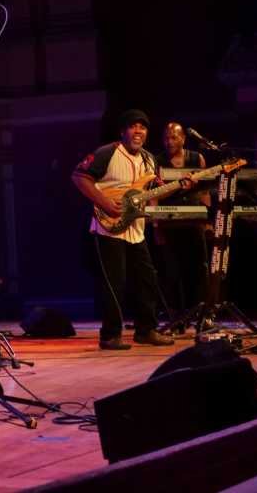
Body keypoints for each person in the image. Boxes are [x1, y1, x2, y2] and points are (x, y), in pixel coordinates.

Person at [72, 109, 174, 350]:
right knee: (114, 283)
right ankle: (110, 335)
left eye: (143, 127)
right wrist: (105, 203)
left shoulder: (150, 159)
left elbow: (150, 192)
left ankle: (146, 330)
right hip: (108, 227)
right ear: (122, 131)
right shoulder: (107, 153)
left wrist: (178, 187)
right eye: (133, 126)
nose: (138, 131)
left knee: (147, 279)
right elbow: (79, 176)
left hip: (135, 229)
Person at [154, 122, 211, 315]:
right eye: (166, 138)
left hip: (195, 219)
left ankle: (202, 310)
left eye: (173, 137)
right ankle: (176, 312)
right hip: (169, 221)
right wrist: (156, 226)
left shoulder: (196, 158)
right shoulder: (157, 161)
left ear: (183, 139)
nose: (169, 142)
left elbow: (204, 191)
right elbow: (154, 195)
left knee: (199, 266)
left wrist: (208, 222)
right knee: (172, 269)